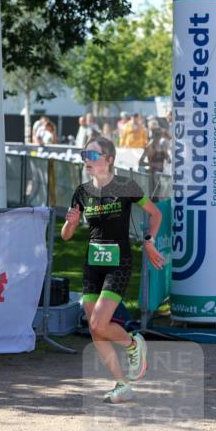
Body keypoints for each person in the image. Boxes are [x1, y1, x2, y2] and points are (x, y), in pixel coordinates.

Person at [62, 137, 165, 404]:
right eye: (85, 154)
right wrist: (70, 224)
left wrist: (149, 242)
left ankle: (133, 344)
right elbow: (65, 235)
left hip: (118, 262)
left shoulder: (126, 186)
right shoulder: (82, 192)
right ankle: (122, 384)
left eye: (93, 155)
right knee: (96, 330)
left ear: (109, 159)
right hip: (92, 264)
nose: (87, 159)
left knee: (98, 322)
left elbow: (155, 214)